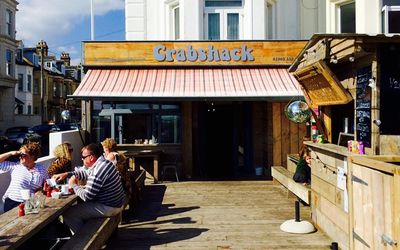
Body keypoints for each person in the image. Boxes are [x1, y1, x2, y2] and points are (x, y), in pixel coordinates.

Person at [52, 143, 125, 234]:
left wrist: (73, 185)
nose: (82, 159)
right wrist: (66, 174)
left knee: (69, 214)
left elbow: (86, 196)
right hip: (117, 203)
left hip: (109, 207)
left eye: (83, 157)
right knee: (79, 208)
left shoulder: (98, 170)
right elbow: (86, 173)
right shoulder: (104, 163)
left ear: (91, 157)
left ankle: (82, 238)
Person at [0, 142, 48, 212]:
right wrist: (10, 153)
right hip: (13, 202)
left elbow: (46, 183)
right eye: (20, 155)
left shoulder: (41, 168)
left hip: (31, 202)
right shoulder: (15, 166)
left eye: (23, 155)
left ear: (33, 156)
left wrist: (40, 190)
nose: (20, 157)